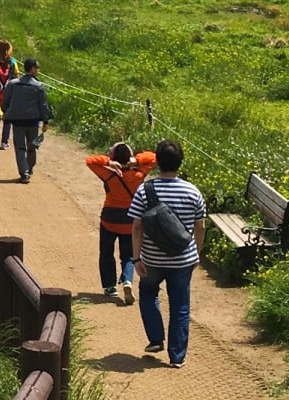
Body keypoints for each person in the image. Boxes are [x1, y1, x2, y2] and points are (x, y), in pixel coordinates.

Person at [127, 139, 207, 369]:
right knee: (180, 305)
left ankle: (155, 339)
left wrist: (136, 258)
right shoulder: (193, 192)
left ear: (157, 163)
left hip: (152, 259)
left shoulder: (145, 190)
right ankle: (177, 356)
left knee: (149, 292)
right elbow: (200, 227)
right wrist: (196, 255)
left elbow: (137, 228)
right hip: (183, 259)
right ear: (180, 162)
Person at [87, 143, 157, 304]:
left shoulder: (108, 174)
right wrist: (136, 161)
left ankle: (110, 287)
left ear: (113, 158)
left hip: (109, 219)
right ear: (129, 157)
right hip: (130, 220)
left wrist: (107, 162)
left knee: (106, 253)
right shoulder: (139, 174)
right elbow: (154, 157)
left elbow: (90, 160)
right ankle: (127, 281)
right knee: (129, 255)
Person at [2, 58, 52, 184]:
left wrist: (8, 112)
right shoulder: (39, 86)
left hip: (17, 121)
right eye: (38, 68)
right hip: (33, 122)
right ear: (33, 68)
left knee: (19, 147)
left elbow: (5, 101)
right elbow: (43, 105)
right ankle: (29, 169)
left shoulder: (13, 84)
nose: (38, 70)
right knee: (32, 146)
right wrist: (46, 121)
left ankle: (24, 173)